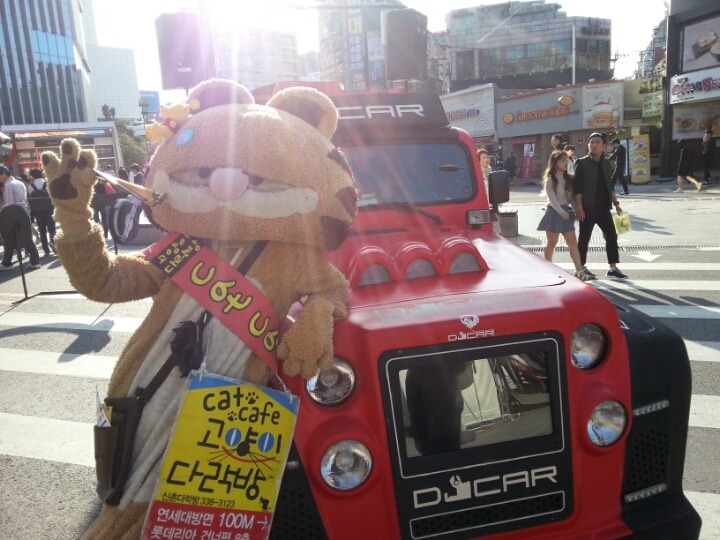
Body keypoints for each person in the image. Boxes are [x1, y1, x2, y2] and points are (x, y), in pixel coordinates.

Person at [573, 132, 628, 280]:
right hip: (587, 208)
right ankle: (581, 267)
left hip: (604, 207)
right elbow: (577, 188)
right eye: (591, 142)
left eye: (597, 142)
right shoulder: (582, 163)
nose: (594, 145)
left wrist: (616, 204)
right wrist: (579, 208)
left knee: (612, 235)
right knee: (584, 238)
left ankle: (613, 268)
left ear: (604, 145)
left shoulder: (607, 163)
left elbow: (610, 187)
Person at [537, 150, 593, 281]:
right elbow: (552, 200)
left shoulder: (570, 178)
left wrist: (577, 210)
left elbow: (572, 198)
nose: (565, 163)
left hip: (566, 213)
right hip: (554, 212)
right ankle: (547, 268)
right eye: (562, 161)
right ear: (555, 163)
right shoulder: (550, 180)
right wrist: (561, 212)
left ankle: (579, 271)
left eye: (566, 161)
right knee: (552, 243)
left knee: (572, 243)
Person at [0, 165, 41, 270]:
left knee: (8, 239)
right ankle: (35, 261)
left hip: (13, 215)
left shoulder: (8, 185)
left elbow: (9, 204)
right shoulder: (19, 182)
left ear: (3, 174)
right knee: (27, 238)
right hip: (24, 211)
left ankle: (7, 263)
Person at [27, 167, 57, 257]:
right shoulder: (47, 183)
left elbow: (29, 200)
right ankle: (53, 242)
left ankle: (46, 250)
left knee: (42, 231)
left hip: (38, 212)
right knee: (52, 229)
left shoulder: (30, 186)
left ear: (32, 176)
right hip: (49, 210)